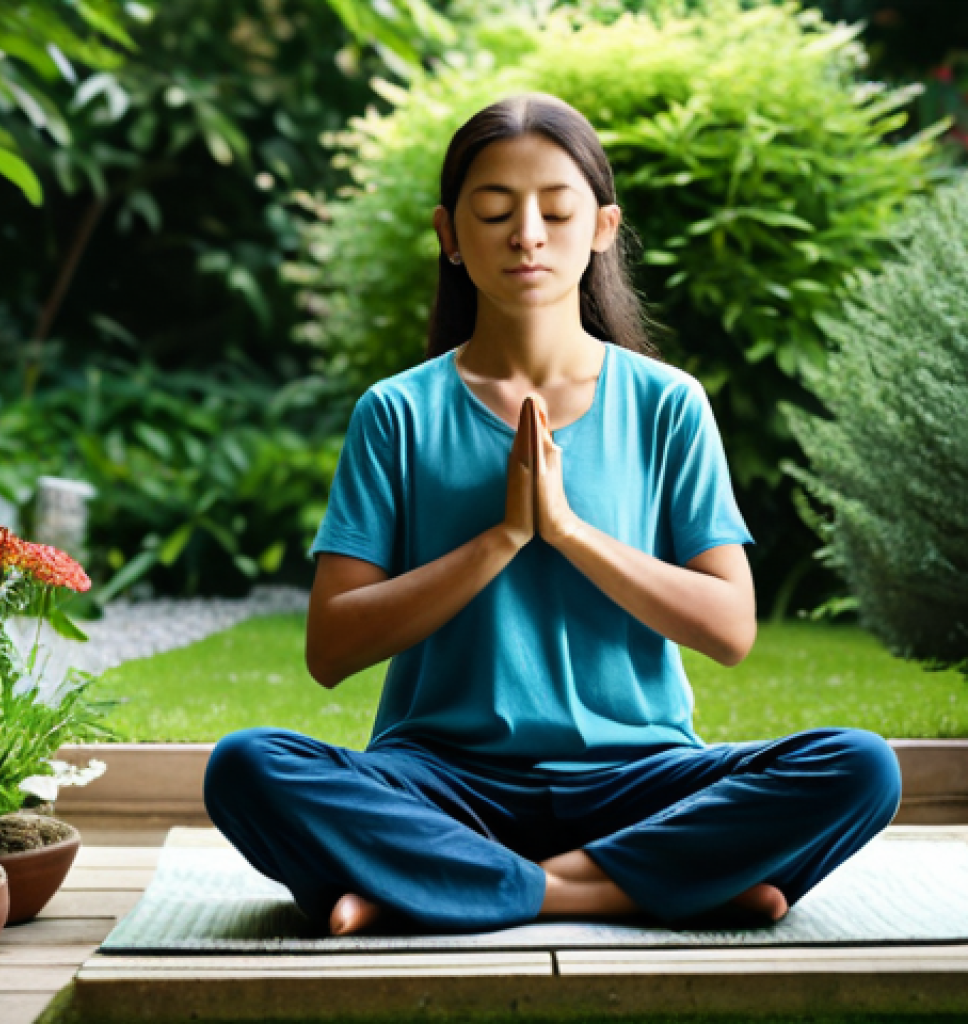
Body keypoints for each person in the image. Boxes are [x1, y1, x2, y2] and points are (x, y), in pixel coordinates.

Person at [203, 93, 902, 939]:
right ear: (449, 236)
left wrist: (569, 531)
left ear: (602, 226)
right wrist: (501, 538)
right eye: (494, 211)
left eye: (556, 210)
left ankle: (449, 888)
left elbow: (730, 629)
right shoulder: (396, 413)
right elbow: (331, 647)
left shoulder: (667, 404)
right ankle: (647, 886)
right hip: (441, 783)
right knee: (246, 767)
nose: (526, 234)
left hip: (639, 780)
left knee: (860, 766)